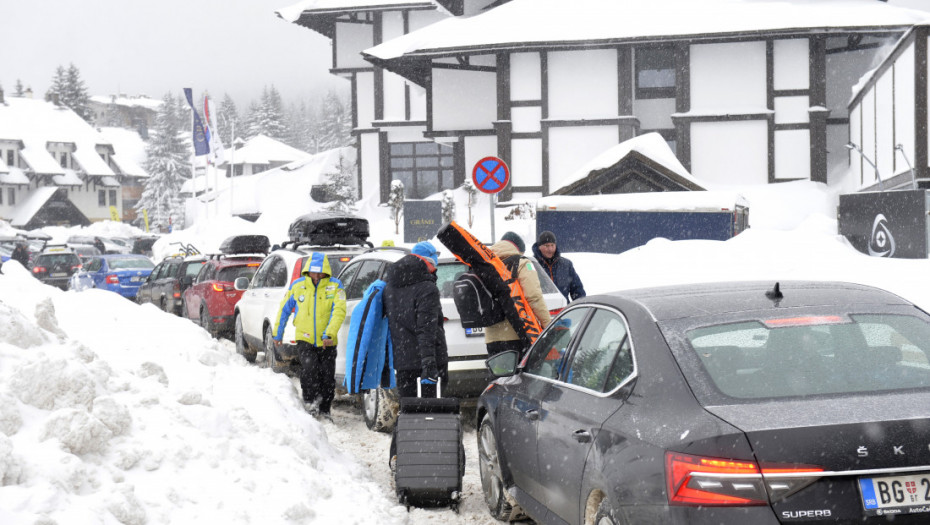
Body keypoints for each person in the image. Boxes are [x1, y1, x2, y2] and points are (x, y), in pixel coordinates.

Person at [273, 252, 347, 420]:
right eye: (313, 272)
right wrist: (278, 333)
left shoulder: (336, 286)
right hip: (304, 338)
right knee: (309, 369)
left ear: (325, 272)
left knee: (327, 376)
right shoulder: (298, 286)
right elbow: (284, 310)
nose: (316, 276)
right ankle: (310, 403)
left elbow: (339, 311)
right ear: (308, 271)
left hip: (327, 340)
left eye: (319, 273)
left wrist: (330, 332)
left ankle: (325, 409)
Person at [382, 241, 448, 398]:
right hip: (428, 360)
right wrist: (429, 363)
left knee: (408, 411)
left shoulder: (390, 286)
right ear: (429, 260)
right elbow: (426, 328)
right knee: (432, 413)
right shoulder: (427, 288)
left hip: (403, 360)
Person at [485, 232, 552, 356]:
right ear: (518, 249)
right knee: (519, 375)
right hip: (518, 335)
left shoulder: (486, 264)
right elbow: (534, 297)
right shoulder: (521, 263)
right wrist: (548, 326)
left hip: (492, 338)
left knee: (500, 374)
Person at [532, 230, 586, 302]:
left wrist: (580, 307)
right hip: (542, 310)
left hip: (563, 310)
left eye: (552, 245)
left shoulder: (566, 264)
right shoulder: (532, 265)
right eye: (546, 246)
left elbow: (577, 290)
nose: (550, 249)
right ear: (539, 247)